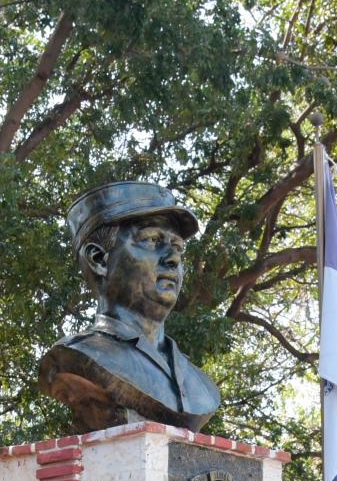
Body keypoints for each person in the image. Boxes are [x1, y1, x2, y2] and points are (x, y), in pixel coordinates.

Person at [38, 181, 221, 433]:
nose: (173, 258)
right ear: (99, 259)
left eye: (177, 246)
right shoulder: (79, 355)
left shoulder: (201, 386)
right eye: (151, 240)